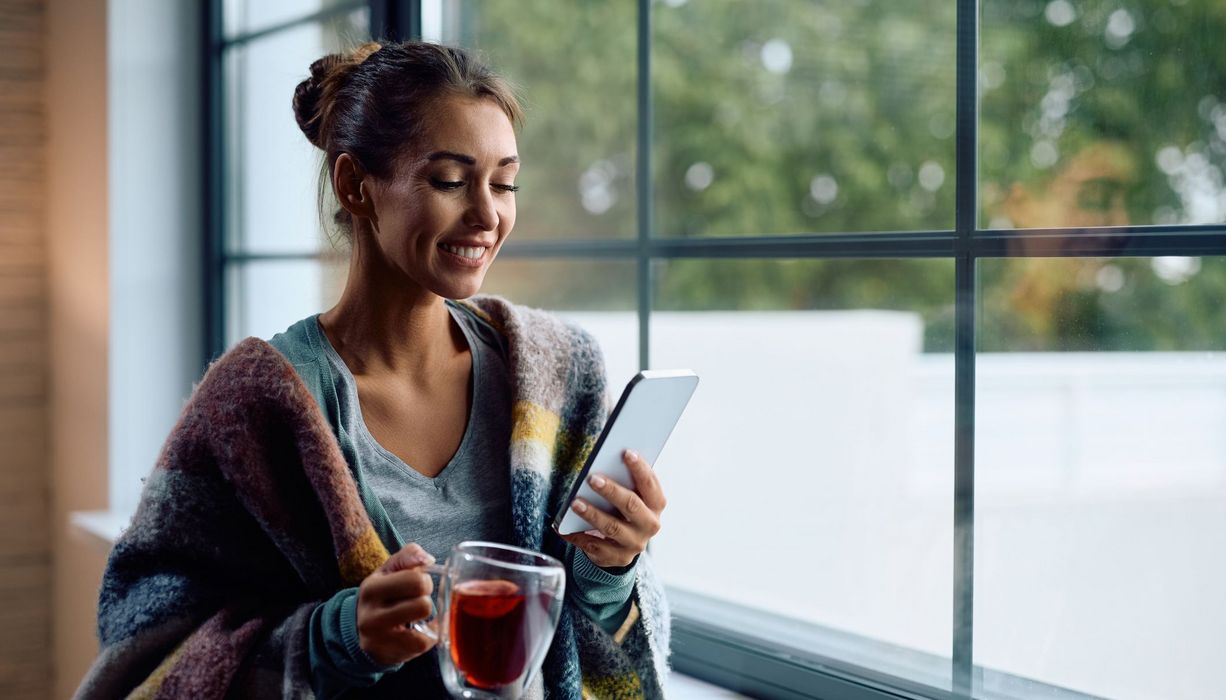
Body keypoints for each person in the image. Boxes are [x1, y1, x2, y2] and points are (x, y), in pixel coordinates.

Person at [75, 41, 670, 699]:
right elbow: (146, 643)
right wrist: (334, 640)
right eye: (450, 181)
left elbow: (598, 640)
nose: (487, 214)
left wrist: (611, 568)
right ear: (355, 184)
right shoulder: (255, 405)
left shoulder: (559, 377)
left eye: (504, 183)